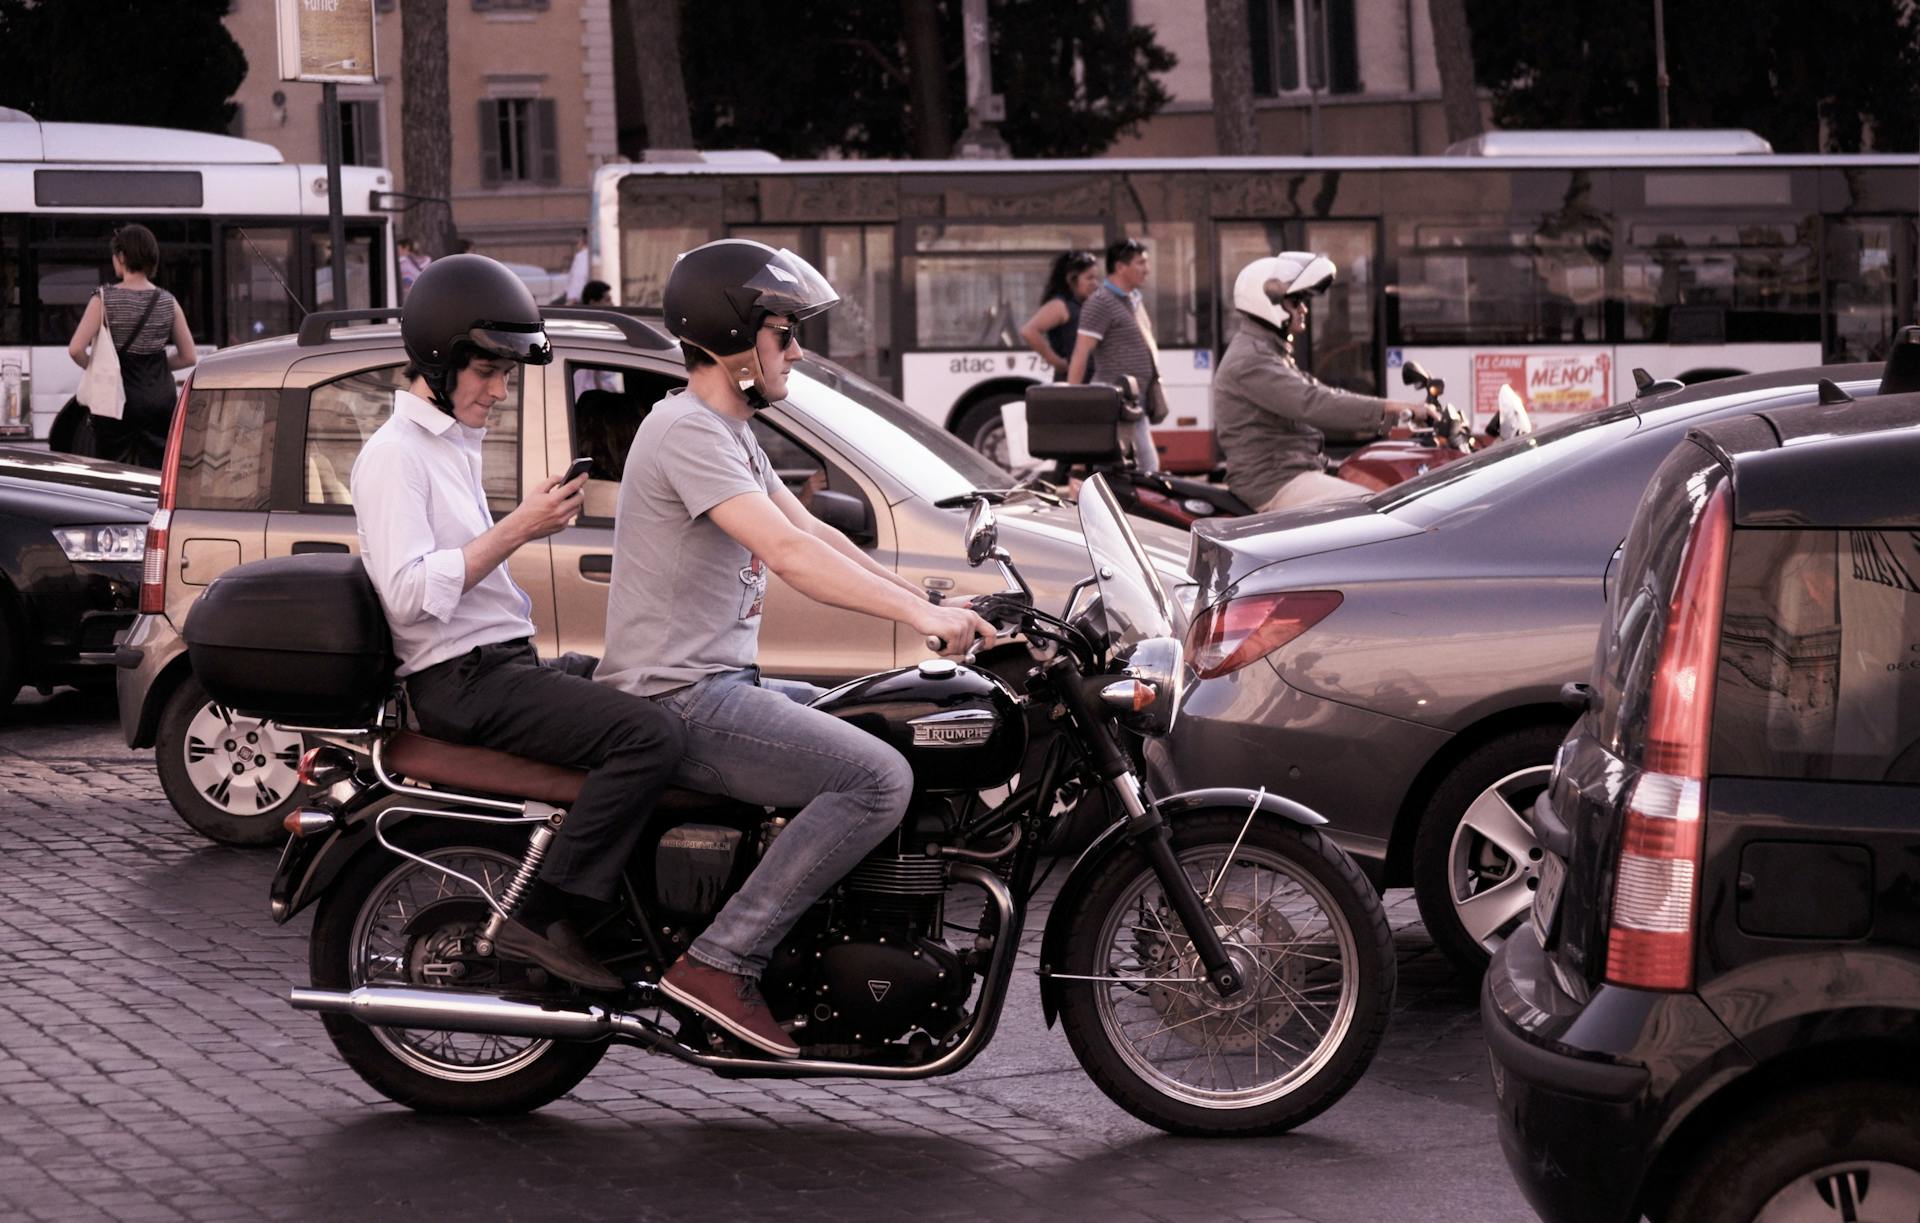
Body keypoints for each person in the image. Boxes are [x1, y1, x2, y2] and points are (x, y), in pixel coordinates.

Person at [597, 238, 994, 1058]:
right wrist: (922, 625)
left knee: (878, 721)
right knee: (877, 775)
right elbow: (792, 558)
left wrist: (932, 600)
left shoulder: (727, 429)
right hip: (679, 697)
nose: (797, 350)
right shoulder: (684, 431)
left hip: (719, 682)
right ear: (734, 336)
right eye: (784, 334)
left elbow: (809, 527)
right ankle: (720, 959)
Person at [350, 253, 685, 993]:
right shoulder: (393, 457)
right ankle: (550, 915)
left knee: (653, 688)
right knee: (648, 735)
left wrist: (517, 521)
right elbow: (408, 595)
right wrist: (518, 528)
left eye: (506, 373)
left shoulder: (449, 447)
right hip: (461, 682)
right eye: (487, 372)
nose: (500, 390)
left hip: (500, 666)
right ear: (438, 363)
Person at [1213, 252, 1435, 513]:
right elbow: (1314, 403)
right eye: (1295, 302)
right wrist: (1394, 409)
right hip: (1273, 481)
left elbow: (1322, 391)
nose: (1304, 309)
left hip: (1291, 471)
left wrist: (1397, 414)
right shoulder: (1251, 360)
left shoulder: (1268, 351)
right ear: (1267, 302)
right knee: (1378, 511)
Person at [65, 223, 197, 468]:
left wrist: (98, 369)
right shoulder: (168, 301)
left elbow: (75, 349)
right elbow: (189, 357)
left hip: (117, 399)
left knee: (112, 471)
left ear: (122, 257)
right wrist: (155, 366)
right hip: (159, 399)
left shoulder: (103, 298)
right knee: (158, 471)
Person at [1066, 238, 1162, 472]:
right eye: (1140, 263)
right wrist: (1071, 405)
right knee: (1144, 468)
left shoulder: (1133, 301)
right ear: (1120, 267)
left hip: (1132, 403)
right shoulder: (1101, 302)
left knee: (1128, 472)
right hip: (1115, 404)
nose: (1147, 270)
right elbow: (1080, 355)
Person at [1017, 250, 1099, 380]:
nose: (1095, 284)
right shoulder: (1060, 305)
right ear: (1071, 279)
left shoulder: (1083, 305)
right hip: (1072, 383)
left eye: (1096, 278)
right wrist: (1057, 362)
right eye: (1089, 278)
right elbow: (1029, 331)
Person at [563, 231, 590, 305]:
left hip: (578, 301)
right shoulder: (585, 255)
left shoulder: (582, 256)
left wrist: (572, 298)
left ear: (582, 242)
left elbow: (579, 276)